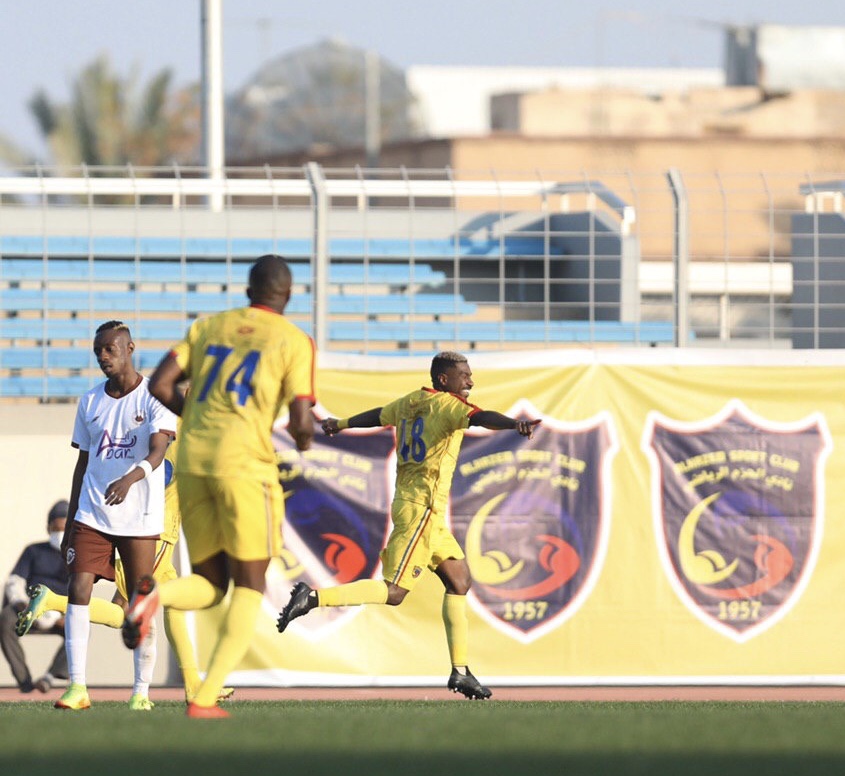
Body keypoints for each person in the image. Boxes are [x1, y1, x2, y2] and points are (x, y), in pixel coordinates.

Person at [276, 351, 540, 700]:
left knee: (459, 580)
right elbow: (481, 418)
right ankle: (312, 598)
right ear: (444, 379)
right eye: (464, 375)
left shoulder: (411, 402)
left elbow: (378, 415)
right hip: (422, 511)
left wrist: (341, 424)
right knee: (394, 592)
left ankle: (461, 672)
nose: (470, 381)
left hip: (425, 511)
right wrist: (513, 424)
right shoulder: (448, 405)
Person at [123, 254, 316, 719]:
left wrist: (197, 419)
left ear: (248, 291)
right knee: (250, 584)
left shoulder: (207, 327)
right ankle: (205, 697)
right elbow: (302, 421)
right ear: (288, 295)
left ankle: (154, 594)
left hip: (192, 461)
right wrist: (305, 440)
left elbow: (161, 384)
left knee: (212, 583)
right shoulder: (294, 339)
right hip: (245, 466)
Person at [16, 436, 233, 706]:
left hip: (145, 533)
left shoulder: (170, 429)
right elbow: (164, 473)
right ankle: (157, 691)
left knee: (139, 611)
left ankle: (192, 684)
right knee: (144, 608)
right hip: (157, 534)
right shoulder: (176, 430)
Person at [55, 320, 177, 711]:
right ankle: (77, 687)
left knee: (140, 599)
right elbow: (83, 463)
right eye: (98, 352)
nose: (103, 357)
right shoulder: (90, 401)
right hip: (92, 512)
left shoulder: (154, 397)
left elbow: (158, 451)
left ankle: (141, 692)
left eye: (110, 349)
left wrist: (130, 479)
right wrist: (71, 522)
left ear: (129, 348)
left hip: (139, 515)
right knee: (79, 588)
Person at [1, 500, 70, 694]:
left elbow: (81, 589)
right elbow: (15, 580)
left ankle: (49, 678)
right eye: (56, 529)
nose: (60, 533)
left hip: (60, 612)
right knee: (5, 620)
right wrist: (23, 605)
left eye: (64, 529)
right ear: (48, 528)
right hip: (28, 608)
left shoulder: (76, 555)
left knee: (81, 627)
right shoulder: (33, 551)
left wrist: (65, 614)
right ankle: (24, 681)